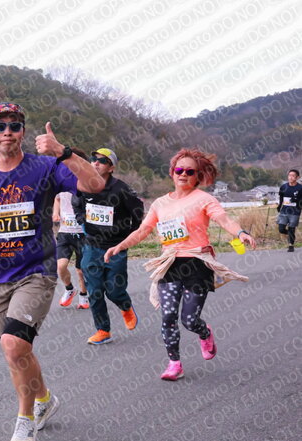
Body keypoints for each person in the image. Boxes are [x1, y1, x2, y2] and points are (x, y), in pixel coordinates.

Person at [0, 102, 104, 441]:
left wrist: (63, 151)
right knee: (18, 350)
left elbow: (95, 184)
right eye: (0, 126)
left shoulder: (46, 167)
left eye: (15, 125)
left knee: (12, 344)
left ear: (23, 132)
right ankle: (45, 399)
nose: (8, 131)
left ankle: (25, 420)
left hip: (37, 271)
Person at [104, 148, 255, 381]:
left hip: (197, 263)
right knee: (168, 317)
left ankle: (204, 332)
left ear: (197, 176)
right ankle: (174, 363)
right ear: (172, 172)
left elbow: (224, 219)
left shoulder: (204, 199)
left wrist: (241, 232)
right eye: (179, 170)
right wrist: (119, 246)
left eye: (190, 171)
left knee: (189, 320)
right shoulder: (160, 203)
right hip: (170, 263)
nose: (183, 174)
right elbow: (143, 230)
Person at [73, 148, 145, 344]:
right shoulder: (84, 185)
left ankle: (125, 306)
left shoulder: (121, 189)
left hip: (115, 247)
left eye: (102, 161)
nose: (96, 163)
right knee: (95, 291)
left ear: (111, 167)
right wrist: (82, 221)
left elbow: (138, 212)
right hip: (91, 245)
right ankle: (103, 330)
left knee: (114, 290)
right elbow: (76, 203)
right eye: (93, 159)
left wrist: (129, 236)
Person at [52, 147, 90, 309]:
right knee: (60, 266)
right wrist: (55, 213)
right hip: (65, 232)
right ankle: (69, 289)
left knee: (81, 270)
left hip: (82, 233)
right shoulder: (61, 181)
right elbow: (58, 199)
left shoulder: (86, 182)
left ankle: (84, 295)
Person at [277, 168, 301, 252]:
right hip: (284, 210)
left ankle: (291, 245)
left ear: (297, 177)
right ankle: (291, 235)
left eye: (293, 176)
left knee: (291, 228)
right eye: (289, 175)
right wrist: (279, 205)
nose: (290, 177)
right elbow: (281, 197)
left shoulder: (300, 188)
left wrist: (296, 200)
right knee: (281, 229)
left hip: (295, 211)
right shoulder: (283, 187)